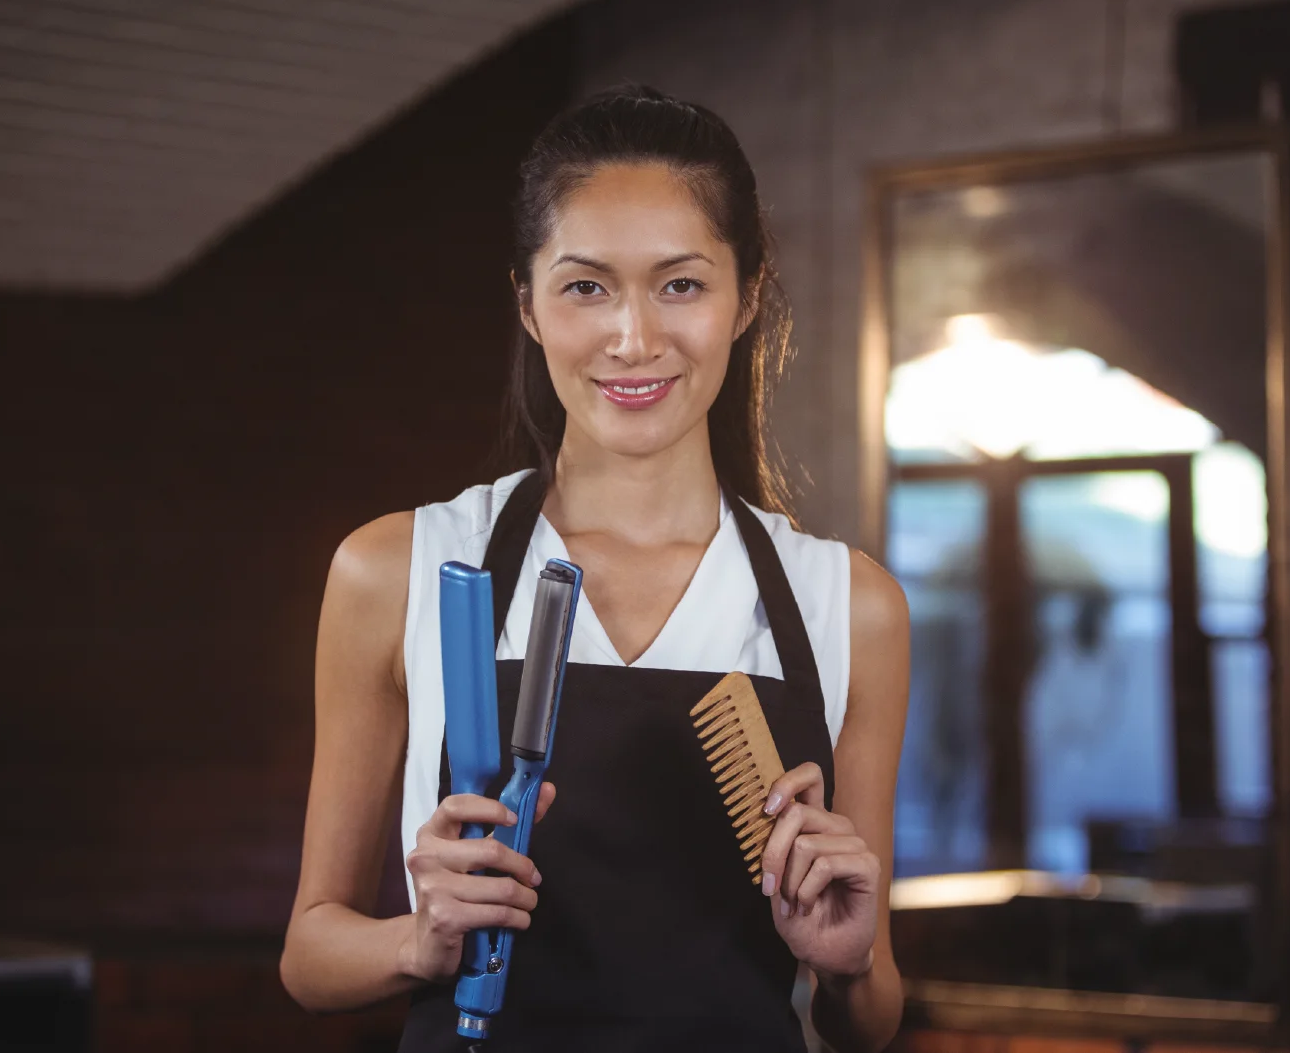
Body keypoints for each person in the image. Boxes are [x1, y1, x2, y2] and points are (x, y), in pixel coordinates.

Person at [280, 84, 910, 1052]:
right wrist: (422, 938)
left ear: (747, 296)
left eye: (679, 284)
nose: (632, 337)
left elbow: (866, 1023)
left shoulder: (846, 602)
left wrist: (847, 960)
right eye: (585, 286)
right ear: (527, 305)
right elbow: (309, 958)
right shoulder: (397, 568)